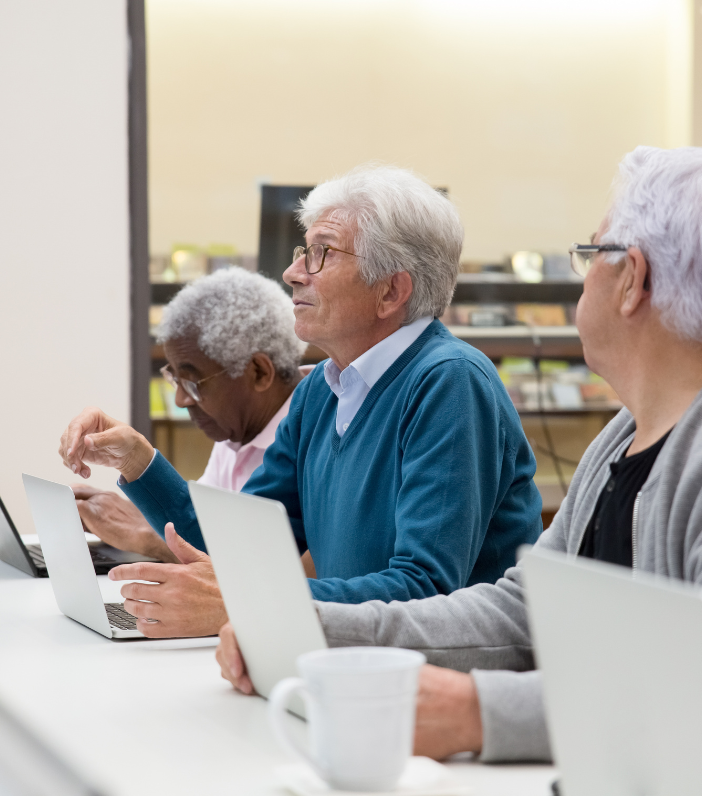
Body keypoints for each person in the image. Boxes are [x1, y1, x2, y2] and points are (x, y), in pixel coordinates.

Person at [215, 146, 702, 762]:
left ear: (633, 280)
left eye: (592, 253)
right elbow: (523, 608)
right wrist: (319, 629)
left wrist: (481, 713)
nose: (585, 275)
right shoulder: (627, 434)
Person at [60, 165, 543, 638]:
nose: (292, 273)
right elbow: (241, 546)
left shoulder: (449, 382)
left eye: (321, 253)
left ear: (391, 290)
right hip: (347, 666)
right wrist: (138, 460)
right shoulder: (321, 391)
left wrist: (249, 603)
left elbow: (426, 592)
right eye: (301, 251)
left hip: (438, 687)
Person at [71, 267, 315, 576]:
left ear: (259, 372)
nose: (181, 401)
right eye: (175, 379)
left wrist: (147, 534)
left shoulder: (317, 430)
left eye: (194, 383)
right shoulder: (237, 433)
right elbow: (206, 532)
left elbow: (255, 569)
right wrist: (144, 513)